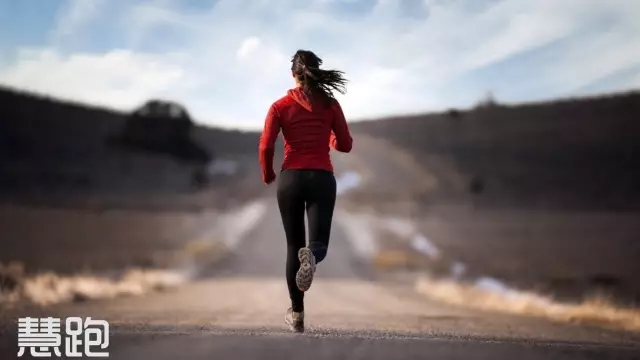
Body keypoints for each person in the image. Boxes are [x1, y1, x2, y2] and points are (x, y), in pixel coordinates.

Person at [258, 49, 353, 333]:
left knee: (292, 245)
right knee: (317, 243)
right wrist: (331, 138)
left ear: (293, 75)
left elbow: (266, 145)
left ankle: (297, 313)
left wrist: (268, 174)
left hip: (290, 179)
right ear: (316, 72)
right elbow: (345, 144)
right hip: (321, 177)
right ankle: (311, 256)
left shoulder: (279, 106)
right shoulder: (330, 105)